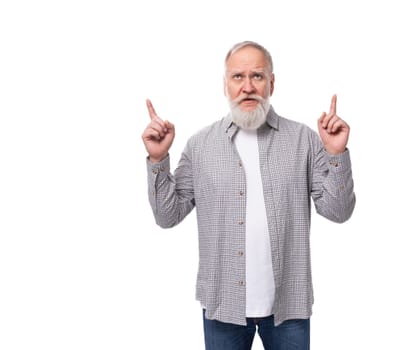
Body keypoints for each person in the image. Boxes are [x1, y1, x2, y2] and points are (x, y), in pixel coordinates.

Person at [142, 41, 355, 350]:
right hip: (222, 306)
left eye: (257, 76)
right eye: (237, 77)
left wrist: (336, 153)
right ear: (225, 85)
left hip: (289, 305)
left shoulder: (304, 140)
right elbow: (167, 216)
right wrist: (159, 161)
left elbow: (339, 211)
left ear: (271, 83)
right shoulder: (200, 145)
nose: (248, 86)